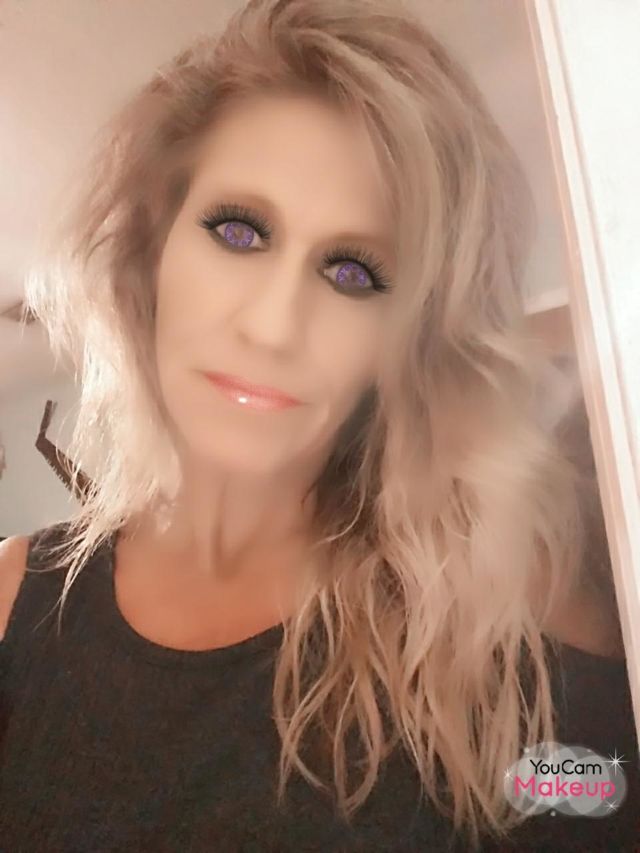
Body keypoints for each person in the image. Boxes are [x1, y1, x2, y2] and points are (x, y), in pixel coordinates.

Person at [0, 0, 637, 850]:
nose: (273, 326)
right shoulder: (17, 596)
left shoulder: (495, 645)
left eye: (353, 273)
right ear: (152, 253)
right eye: (238, 230)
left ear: (405, 342)